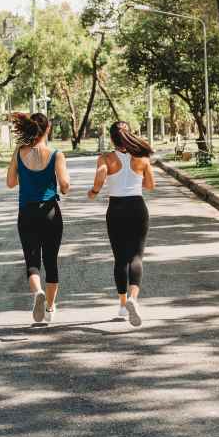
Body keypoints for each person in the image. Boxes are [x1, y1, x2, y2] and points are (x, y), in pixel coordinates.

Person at [88, 121, 155, 327]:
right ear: (130, 135)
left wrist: (94, 192)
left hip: (116, 209)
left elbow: (100, 177)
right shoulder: (142, 158)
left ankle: (122, 304)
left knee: (120, 258)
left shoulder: (106, 158)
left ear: (111, 138)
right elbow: (150, 186)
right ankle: (134, 298)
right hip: (137, 207)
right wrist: (137, 180)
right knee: (136, 256)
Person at [6, 112, 70, 324]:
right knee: (50, 262)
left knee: (32, 262)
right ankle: (50, 307)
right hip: (51, 212)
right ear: (48, 129)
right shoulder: (55, 154)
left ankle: (37, 293)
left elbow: (10, 182)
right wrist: (62, 185)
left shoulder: (19, 153)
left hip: (27, 213)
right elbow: (65, 186)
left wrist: (18, 156)